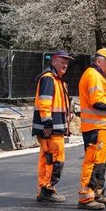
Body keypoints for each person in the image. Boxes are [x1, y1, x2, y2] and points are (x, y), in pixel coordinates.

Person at [77, 48, 106, 210]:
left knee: (101, 161)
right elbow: (98, 102)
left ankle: (97, 191)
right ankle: (86, 196)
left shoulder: (100, 77)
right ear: (99, 61)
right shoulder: (93, 75)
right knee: (92, 160)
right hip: (95, 127)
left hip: (101, 127)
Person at [32, 49, 74, 203]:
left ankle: (45, 188)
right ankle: (47, 189)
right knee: (55, 158)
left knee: (47, 158)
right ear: (54, 60)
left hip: (52, 126)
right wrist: (48, 123)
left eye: (67, 63)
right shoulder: (49, 79)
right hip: (50, 128)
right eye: (62, 62)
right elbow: (45, 102)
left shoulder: (56, 80)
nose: (65, 65)